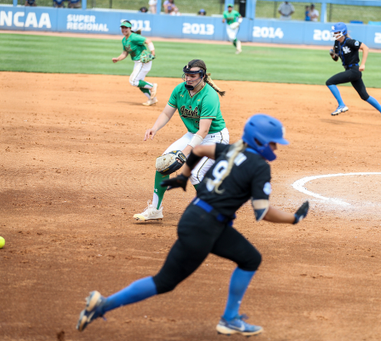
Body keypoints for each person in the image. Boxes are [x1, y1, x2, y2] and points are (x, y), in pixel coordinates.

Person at [76, 114, 310, 336]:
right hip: (204, 228)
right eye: (273, 143)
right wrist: (294, 218)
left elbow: (198, 150)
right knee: (165, 282)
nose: (276, 148)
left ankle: (230, 319)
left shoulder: (231, 149)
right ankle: (102, 305)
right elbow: (263, 212)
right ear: (259, 141)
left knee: (250, 259)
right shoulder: (259, 167)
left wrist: (184, 175)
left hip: (198, 219)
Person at [133, 59, 229, 221]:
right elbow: (166, 113)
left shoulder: (210, 96)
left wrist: (186, 151)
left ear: (202, 76)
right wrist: (154, 128)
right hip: (193, 134)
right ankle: (155, 210)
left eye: (193, 75)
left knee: (196, 174)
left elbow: (204, 130)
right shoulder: (179, 90)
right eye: (186, 75)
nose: (188, 78)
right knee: (163, 164)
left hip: (215, 138)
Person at [326, 22, 381, 126]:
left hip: (354, 70)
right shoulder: (336, 43)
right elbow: (336, 58)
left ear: (343, 32)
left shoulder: (350, 42)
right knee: (364, 96)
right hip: (349, 71)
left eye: (336, 32)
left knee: (330, 82)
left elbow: (365, 48)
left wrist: (363, 64)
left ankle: (341, 105)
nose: (334, 34)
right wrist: (332, 55)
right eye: (334, 32)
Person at [112, 20, 158, 106]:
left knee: (133, 81)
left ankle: (152, 86)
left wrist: (153, 53)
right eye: (122, 27)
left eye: (126, 27)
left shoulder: (134, 37)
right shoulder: (124, 40)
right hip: (138, 63)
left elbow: (148, 41)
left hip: (143, 61)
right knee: (139, 82)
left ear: (130, 28)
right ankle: (152, 99)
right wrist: (118, 59)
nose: (124, 29)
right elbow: (125, 53)